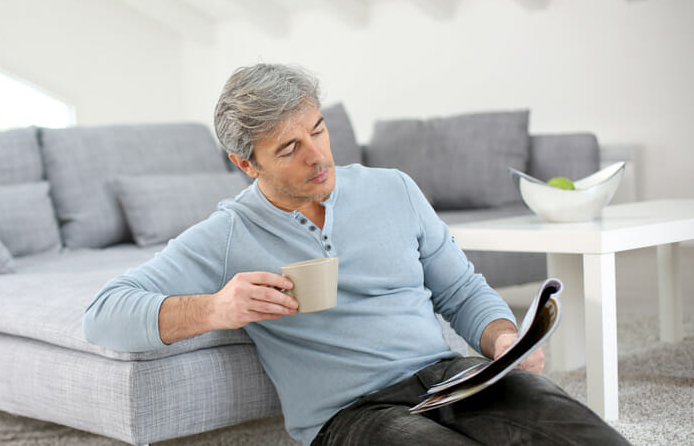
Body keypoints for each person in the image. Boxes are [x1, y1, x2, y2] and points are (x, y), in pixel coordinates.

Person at [83, 64, 629, 445]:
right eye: (289, 148)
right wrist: (215, 308)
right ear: (247, 164)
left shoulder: (393, 188)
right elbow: (103, 314)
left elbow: (460, 290)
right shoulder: (227, 233)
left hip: (447, 377)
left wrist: (503, 339)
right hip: (351, 417)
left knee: (576, 430)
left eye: (318, 130)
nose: (318, 156)